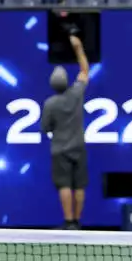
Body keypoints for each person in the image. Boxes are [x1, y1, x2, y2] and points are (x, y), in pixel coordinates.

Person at [39, 33, 90, 230]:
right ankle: (77, 221)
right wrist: (78, 48)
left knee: (65, 185)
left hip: (60, 149)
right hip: (79, 146)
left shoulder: (50, 104)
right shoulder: (77, 93)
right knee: (79, 185)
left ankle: (68, 222)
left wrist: (53, 127)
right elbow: (85, 70)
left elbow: (45, 128)